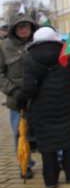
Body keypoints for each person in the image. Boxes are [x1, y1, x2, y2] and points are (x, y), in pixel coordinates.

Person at [17, 27, 70, 188]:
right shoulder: (67, 54)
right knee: (69, 142)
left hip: (42, 109)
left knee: (47, 147)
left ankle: (51, 181)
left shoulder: (31, 58)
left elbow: (28, 88)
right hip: (68, 106)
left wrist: (20, 103)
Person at [0, 12, 38, 179]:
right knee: (20, 132)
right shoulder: (4, 47)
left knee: (44, 131)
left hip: (38, 98)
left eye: (27, 26)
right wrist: (14, 92)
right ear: (14, 28)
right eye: (20, 26)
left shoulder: (38, 43)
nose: (24, 29)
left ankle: (56, 161)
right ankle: (25, 164)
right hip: (16, 99)